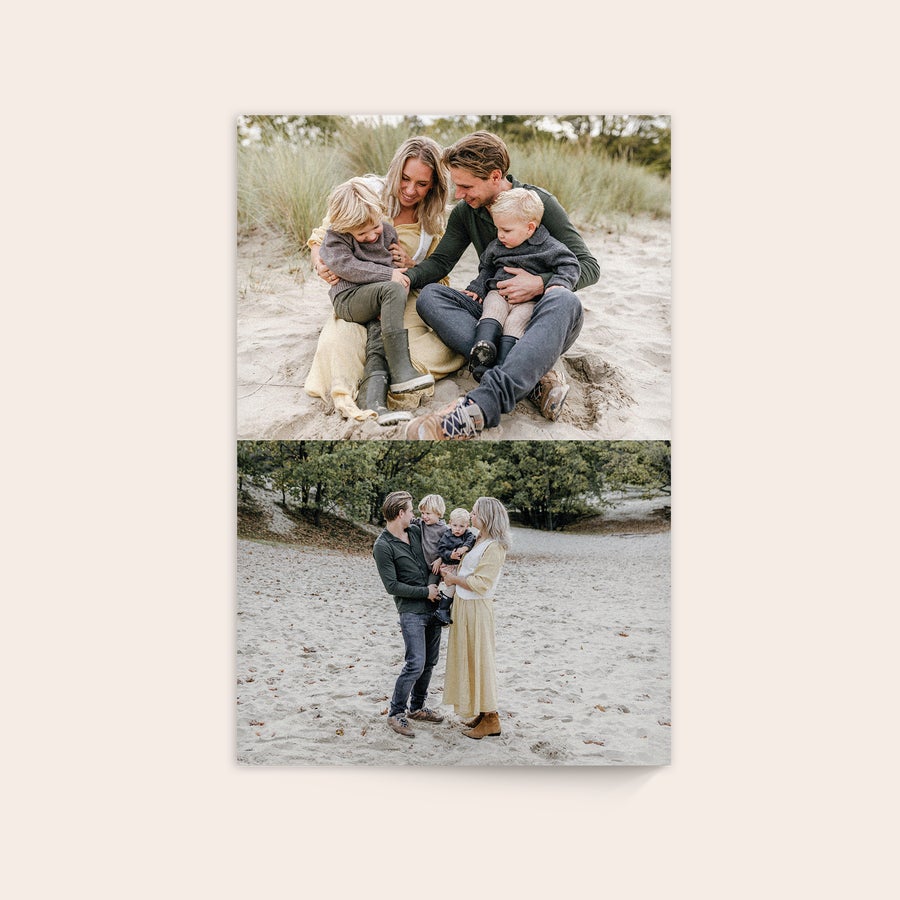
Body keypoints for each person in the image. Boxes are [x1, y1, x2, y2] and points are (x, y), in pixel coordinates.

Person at [404, 131, 600, 439]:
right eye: (456, 185)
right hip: (494, 313)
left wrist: (539, 283)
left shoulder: (538, 204)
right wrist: (406, 276)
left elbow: (588, 266)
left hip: (538, 319)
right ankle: (532, 377)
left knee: (566, 300)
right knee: (430, 296)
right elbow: (441, 263)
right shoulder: (466, 212)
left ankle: (482, 405)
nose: (458, 194)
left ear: (495, 176)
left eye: (466, 186)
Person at [305, 137, 465, 426]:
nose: (410, 190)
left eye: (421, 184)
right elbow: (321, 238)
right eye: (405, 178)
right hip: (358, 295)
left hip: (402, 299)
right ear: (395, 171)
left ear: (434, 186)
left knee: (442, 348)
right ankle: (362, 393)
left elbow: (439, 276)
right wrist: (321, 263)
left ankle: (388, 385)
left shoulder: (433, 221)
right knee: (337, 345)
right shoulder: (363, 194)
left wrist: (412, 265)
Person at [318, 177, 433, 396]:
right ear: (345, 228)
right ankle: (401, 369)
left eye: (375, 227)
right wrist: (389, 276)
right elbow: (347, 266)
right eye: (362, 234)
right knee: (393, 287)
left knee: (377, 337)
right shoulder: (336, 237)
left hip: (377, 298)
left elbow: (393, 268)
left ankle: (372, 392)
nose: (371, 236)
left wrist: (398, 286)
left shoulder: (388, 232)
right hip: (349, 298)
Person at [463, 187, 580, 381]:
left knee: (516, 322)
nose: (500, 235)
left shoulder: (549, 247)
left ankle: (503, 364)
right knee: (492, 309)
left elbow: (570, 264)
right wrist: (477, 288)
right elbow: (486, 268)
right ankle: (483, 348)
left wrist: (557, 283)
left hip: (528, 301)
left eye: (506, 230)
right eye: (498, 229)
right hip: (498, 293)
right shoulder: (497, 246)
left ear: (530, 228)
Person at [372, 491, 445, 738]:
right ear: (401, 513)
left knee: (430, 662)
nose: (415, 515)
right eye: (412, 511)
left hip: (434, 607)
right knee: (415, 663)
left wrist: (434, 585)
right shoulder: (382, 546)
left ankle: (417, 707)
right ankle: (396, 713)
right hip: (411, 611)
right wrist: (425, 592)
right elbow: (392, 586)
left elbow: (437, 545)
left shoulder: (415, 531)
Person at [440, 497, 510, 739]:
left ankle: (492, 718)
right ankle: (482, 711)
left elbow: (482, 583)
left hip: (477, 608)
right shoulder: (478, 539)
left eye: (475, 512)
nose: (471, 516)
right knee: (469, 658)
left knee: (480, 658)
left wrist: (454, 579)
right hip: (464, 604)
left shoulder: (495, 546)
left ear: (487, 517)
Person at [432, 507, 477, 626]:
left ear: (467, 526)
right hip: (449, 565)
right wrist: (450, 555)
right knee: (451, 586)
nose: (457, 529)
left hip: (460, 566)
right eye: (455, 525)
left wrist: (464, 548)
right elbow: (441, 550)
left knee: (458, 587)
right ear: (450, 523)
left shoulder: (467, 534)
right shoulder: (447, 535)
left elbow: (472, 540)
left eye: (461, 526)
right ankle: (442, 609)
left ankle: (446, 608)